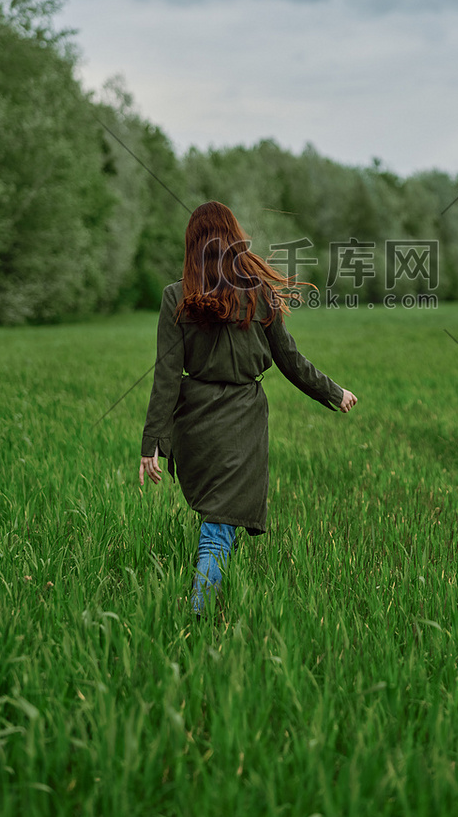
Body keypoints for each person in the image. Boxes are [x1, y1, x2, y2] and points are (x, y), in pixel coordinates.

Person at [138, 201, 357, 614]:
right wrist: (334, 391)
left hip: (194, 423)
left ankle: (213, 597)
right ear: (234, 239)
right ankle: (199, 612)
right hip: (242, 420)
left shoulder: (175, 296)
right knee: (220, 525)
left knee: (222, 518)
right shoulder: (259, 293)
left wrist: (153, 443)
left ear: (192, 244)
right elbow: (290, 361)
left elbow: (166, 376)